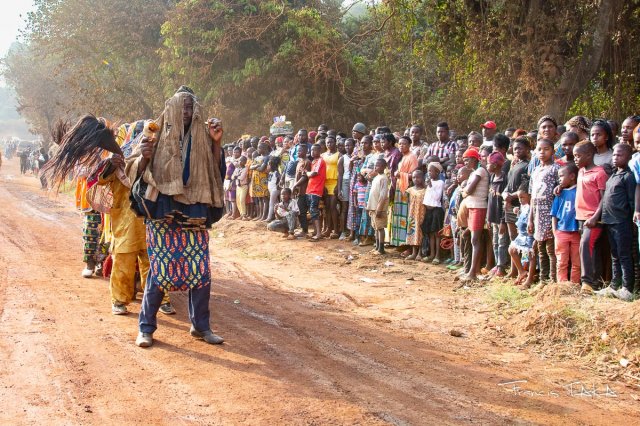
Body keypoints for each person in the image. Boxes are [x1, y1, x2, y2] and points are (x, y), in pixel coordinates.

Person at [134, 87, 225, 347]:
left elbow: (216, 172)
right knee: (160, 271)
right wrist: (144, 157)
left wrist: (216, 142)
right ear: (171, 107)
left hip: (194, 213)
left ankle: (201, 327)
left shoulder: (206, 135)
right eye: (182, 106)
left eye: (190, 107)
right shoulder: (154, 133)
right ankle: (146, 328)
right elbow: (136, 172)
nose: (186, 112)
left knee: (200, 271)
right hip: (163, 214)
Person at [597, 143, 636, 301]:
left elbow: (631, 201)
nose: (615, 158)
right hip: (609, 221)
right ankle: (614, 285)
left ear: (628, 157)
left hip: (622, 222)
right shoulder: (614, 175)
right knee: (615, 255)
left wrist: (632, 222)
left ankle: (627, 288)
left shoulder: (628, 176)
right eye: (614, 155)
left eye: (619, 155)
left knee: (624, 255)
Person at [573, 140, 608, 294]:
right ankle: (596, 282)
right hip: (581, 216)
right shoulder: (581, 171)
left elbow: (604, 198)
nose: (575, 159)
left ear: (589, 155)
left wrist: (595, 217)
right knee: (592, 249)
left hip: (593, 219)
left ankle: (587, 282)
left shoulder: (599, 173)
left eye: (578, 156)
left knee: (586, 245)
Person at [527, 139, 559, 286]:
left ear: (553, 151)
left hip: (550, 214)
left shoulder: (556, 169)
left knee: (551, 250)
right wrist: (530, 219)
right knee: (541, 250)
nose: (542, 152)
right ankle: (543, 280)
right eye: (539, 149)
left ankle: (553, 281)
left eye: (546, 149)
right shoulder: (535, 171)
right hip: (538, 214)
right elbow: (532, 197)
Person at [460, 147, 489, 282]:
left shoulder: (480, 171)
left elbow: (469, 190)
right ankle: (474, 270)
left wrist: (464, 190)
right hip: (473, 207)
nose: (465, 163)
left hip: (478, 207)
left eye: (467, 160)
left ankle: (472, 272)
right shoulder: (474, 172)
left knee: (475, 240)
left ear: (474, 159)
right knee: (473, 239)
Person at [551, 164, 581, 284]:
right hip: (561, 232)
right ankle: (562, 284)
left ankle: (574, 284)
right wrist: (555, 231)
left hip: (576, 232)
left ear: (572, 176)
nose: (559, 179)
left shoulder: (579, 191)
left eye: (562, 176)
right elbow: (554, 214)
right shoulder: (559, 193)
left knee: (577, 261)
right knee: (562, 261)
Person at [390, 136, 418, 247]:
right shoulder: (403, 156)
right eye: (400, 144)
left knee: (406, 216)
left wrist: (400, 174)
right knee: (399, 214)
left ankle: (406, 244)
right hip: (399, 188)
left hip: (407, 190)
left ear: (409, 145)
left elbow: (415, 175)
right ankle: (398, 242)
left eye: (404, 144)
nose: (401, 146)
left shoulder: (412, 157)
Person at [486, 151, 509, 279]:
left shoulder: (505, 179)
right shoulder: (492, 177)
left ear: (495, 165)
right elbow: (490, 199)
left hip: (500, 217)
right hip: (492, 216)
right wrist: (488, 218)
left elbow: (505, 203)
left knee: (502, 242)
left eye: (488, 163)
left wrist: (503, 221)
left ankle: (501, 267)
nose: (486, 166)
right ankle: (497, 265)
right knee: (495, 242)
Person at [508, 190, 535, 286]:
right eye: (519, 198)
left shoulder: (533, 207)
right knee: (512, 249)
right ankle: (521, 272)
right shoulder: (523, 207)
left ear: (529, 196)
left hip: (530, 236)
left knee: (531, 255)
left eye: (522, 197)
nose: (520, 200)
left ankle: (530, 278)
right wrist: (518, 212)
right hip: (522, 235)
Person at [422, 162, 445, 263]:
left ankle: (437, 256)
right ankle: (431, 254)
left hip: (436, 210)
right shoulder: (429, 182)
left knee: (437, 234)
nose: (429, 173)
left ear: (437, 172)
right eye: (428, 171)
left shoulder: (440, 183)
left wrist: (430, 186)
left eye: (431, 171)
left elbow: (437, 197)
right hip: (428, 210)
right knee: (430, 233)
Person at [367, 158, 390, 255]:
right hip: (373, 207)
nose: (376, 167)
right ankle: (376, 247)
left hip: (379, 208)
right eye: (375, 165)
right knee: (376, 227)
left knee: (380, 228)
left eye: (379, 165)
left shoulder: (384, 178)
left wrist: (379, 209)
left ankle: (381, 249)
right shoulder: (376, 177)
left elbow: (383, 195)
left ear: (384, 167)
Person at [306, 143, 327, 241]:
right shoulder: (313, 161)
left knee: (314, 211)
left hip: (316, 189)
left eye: (315, 150)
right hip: (310, 189)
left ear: (319, 151)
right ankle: (315, 231)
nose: (312, 152)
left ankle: (319, 233)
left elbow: (314, 173)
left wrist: (306, 173)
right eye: (311, 150)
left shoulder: (320, 161)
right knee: (311, 210)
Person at [405, 169, 427, 260]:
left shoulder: (425, 190)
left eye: (418, 177)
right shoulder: (410, 190)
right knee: (413, 233)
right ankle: (414, 252)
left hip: (421, 214)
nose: (415, 179)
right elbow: (408, 203)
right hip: (412, 215)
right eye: (413, 177)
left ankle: (420, 253)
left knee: (420, 233)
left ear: (422, 178)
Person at [322, 135, 341, 238]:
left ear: (335, 143)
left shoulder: (339, 154)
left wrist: (338, 185)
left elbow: (340, 171)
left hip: (335, 182)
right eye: (327, 143)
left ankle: (336, 230)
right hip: (325, 182)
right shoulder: (323, 155)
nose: (329, 144)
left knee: (333, 207)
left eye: (331, 142)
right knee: (327, 207)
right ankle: (328, 229)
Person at [337, 138, 355, 239]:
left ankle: (352, 231)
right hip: (345, 182)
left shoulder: (357, 156)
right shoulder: (342, 158)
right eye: (346, 145)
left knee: (353, 208)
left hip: (355, 182)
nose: (348, 147)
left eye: (350, 145)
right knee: (345, 208)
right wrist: (340, 189)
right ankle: (343, 231)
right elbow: (340, 175)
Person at [292, 143, 311, 237]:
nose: (298, 152)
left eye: (300, 150)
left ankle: (305, 230)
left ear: (306, 151)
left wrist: (295, 185)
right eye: (297, 150)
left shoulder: (307, 162)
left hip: (305, 190)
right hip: (299, 190)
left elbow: (304, 177)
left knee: (301, 210)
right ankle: (303, 229)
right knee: (300, 210)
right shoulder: (299, 162)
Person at [250, 142, 270, 221]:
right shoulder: (257, 157)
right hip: (257, 180)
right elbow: (251, 167)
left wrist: (256, 167)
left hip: (263, 180)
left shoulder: (267, 157)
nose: (258, 149)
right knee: (259, 199)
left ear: (264, 149)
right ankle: (260, 215)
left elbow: (262, 169)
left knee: (265, 198)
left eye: (259, 148)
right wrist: (257, 166)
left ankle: (264, 216)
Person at [232, 155, 249, 220]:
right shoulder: (237, 168)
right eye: (239, 160)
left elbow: (241, 178)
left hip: (243, 186)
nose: (240, 161)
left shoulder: (245, 168)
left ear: (245, 162)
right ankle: (241, 214)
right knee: (238, 201)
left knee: (242, 200)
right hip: (238, 186)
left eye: (241, 160)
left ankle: (244, 214)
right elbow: (232, 177)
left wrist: (236, 176)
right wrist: (236, 176)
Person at [265, 156, 281, 222]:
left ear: (273, 165)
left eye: (269, 165)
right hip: (271, 190)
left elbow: (280, 179)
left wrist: (278, 185)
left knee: (271, 203)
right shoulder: (271, 172)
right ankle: (278, 216)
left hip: (275, 190)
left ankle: (269, 218)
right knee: (276, 203)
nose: (268, 166)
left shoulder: (276, 172)